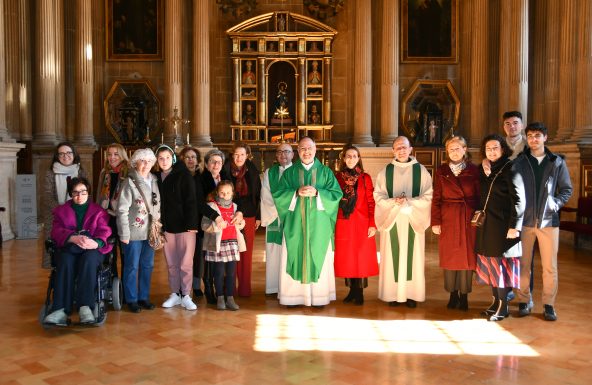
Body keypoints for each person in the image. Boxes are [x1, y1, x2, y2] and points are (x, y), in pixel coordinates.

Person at [272, 137, 342, 307]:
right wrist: (295, 193)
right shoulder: (289, 173)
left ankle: (319, 297)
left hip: (319, 226)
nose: (306, 152)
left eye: (309, 148)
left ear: (315, 149)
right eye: (303, 148)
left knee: (318, 253)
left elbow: (336, 194)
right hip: (296, 224)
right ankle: (293, 297)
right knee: (294, 251)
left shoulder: (326, 172)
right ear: (298, 151)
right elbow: (279, 194)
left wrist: (319, 193)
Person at [513, 122, 573, 321]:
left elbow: (566, 190)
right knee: (523, 264)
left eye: (537, 135)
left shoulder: (556, 162)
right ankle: (523, 300)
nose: (533, 139)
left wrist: (556, 203)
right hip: (525, 222)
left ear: (545, 138)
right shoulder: (520, 161)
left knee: (549, 266)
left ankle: (548, 304)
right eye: (530, 135)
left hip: (549, 222)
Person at [43, 177, 112, 325]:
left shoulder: (98, 211)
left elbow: (104, 230)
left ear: (88, 193)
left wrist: (96, 242)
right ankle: (60, 309)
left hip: (91, 248)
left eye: (83, 192)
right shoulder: (61, 211)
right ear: (70, 194)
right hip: (70, 246)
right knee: (65, 261)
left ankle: (85, 307)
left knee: (88, 260)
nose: (79, 196)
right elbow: (56, 231)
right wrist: (72, 238)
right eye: (75, 193)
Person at [374, 136, 433, 308]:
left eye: (404, 147)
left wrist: (409, 202)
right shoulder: (385, 172)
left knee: (412, 257)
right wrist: (393, 202)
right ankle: (391, 294)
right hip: (392, 220)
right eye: (397, 147)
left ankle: (411, 294)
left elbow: (428, 196)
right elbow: (378, 195)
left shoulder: (421, 171)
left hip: (412, 219)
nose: (401, 150)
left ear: (410, 149)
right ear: (393, 150)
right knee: (391, 257)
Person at [474, 134, 525, 322]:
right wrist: (485, 167)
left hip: (504, 227)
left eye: (495, 147)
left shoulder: (511, 168)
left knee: (501, 267)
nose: (492, 151)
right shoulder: (485, 168)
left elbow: (519, 200)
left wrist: (515, 227)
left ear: (503, 149)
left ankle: (503, 307)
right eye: (488, 148)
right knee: (491, 265)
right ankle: (495, 302)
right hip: (488, 225)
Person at [431, 136, 480, 311]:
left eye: (458, 148)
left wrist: (478, 218)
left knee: (466, 259)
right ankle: (452, 294)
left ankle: (464, 295)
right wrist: (435, 221)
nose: (454, 152)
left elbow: (480, 197)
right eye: (451, 149)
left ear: (465, 149)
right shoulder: (441, 170)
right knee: (450, 258)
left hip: (468, 218)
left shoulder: (474, 170)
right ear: (447, 151)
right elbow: (436, 197)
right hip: (448, 217)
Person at [179, 146, 229, 300]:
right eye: (212, 162)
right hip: (205, 223)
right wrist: (215, 216)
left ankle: (219, 287)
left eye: (219, 162)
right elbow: (200, 203)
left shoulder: (225, 177)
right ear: (206, 164)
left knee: (219, 257)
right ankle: (205, 286)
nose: (216, 165)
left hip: (223, 225)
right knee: (204, 258)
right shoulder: (200, 179)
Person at [155, 145, 200, 311]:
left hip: (185, 227)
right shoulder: (156, 177)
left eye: (167, 157)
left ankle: (186, 295)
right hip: (167, 227)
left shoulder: (183, 175)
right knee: (172, 263)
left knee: (186, 263)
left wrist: (192, 224)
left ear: (173, 158)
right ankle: (175, 293)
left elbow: (191, 201)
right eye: (161, 158)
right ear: (157, 160)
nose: (164, 161)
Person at [115, 149, 160, 313]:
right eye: (142, 161)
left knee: (147, 265)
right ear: (135, 163)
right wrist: (124, 234)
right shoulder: (129, 182)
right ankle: (131, 299)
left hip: (150, 232)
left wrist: (157, 223)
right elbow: (122, 210)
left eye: (149, 161)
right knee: (132, 266)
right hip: (133, 232)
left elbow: (157, 204)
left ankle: (144, 297)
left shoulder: (154, 180)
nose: (146, 164)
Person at [334, 145, 378, 305]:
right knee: (347, 257)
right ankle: (351, 291)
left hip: (362, 223)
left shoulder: (365, 178)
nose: (351, 159)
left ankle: (359, 292)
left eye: (354, 156)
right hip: (344, 222)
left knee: (360, 257)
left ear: (359, 159)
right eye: (348, 156)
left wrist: (372, 224)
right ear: (344, 159)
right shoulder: (338, 177)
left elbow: (371, 202)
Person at [223, 142, 261, 297]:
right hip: (229, 215)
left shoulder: (252, 169)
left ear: (247, 156)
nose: (239, 158)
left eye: (242, 155)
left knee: (246, 253)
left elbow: (257, 195)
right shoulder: (225, 169)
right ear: (232, 155)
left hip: (248, 215)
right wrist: (236, 211)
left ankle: (245, 288)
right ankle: (229, 289)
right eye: (236, 154)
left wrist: (258, 216)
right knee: (230, 253)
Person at [42, 142, 88, 269]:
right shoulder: (51, 172)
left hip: (78, 213)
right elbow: (47, 196)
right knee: (57, 246)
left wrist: (76, 210)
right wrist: (63, 211)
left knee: (76, 243)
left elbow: (86, 193)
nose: (65, 156)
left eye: (68, 153)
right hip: (55, 214)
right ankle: (57, 271)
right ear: (57, 156)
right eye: (61, 153)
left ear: (74, 154)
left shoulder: (81, 172)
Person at [202, 181, 247, 311]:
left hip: (232, 244)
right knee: (219, 272)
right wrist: (217, 225)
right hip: (218, 245)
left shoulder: (235, 207)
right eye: (222, 192)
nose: (225, 195)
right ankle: (220, 297)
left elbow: (240, 225)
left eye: (228, 193)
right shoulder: (211, 206)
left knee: (231, 273)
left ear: (232, 193)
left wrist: (240, 222)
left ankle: (230, 297)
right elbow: (204, 225)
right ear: (217, 192)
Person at [260, 143, 294, 296]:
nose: (283, 155)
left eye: (286, 152)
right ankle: (274, 287)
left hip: (293, 218)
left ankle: (289, 288)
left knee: (290, 252)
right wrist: (278, 211)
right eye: (279, 152)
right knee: (274, 252)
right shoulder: (270, 172)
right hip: (274, 218)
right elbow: (265, 195)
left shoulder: (298, 171)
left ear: (293, 154)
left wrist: (287, 211)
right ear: (276, 155)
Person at [96, 143, 129, 277]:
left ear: (122, 155)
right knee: (109, 255)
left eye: (116, 154)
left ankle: (126, 293)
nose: (112, 157)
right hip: (107, 218)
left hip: (123, 218)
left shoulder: (129, 172)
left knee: (125, 256)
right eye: (109, 154)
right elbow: (99, 195)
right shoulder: (104, 172)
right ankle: (112, 286)